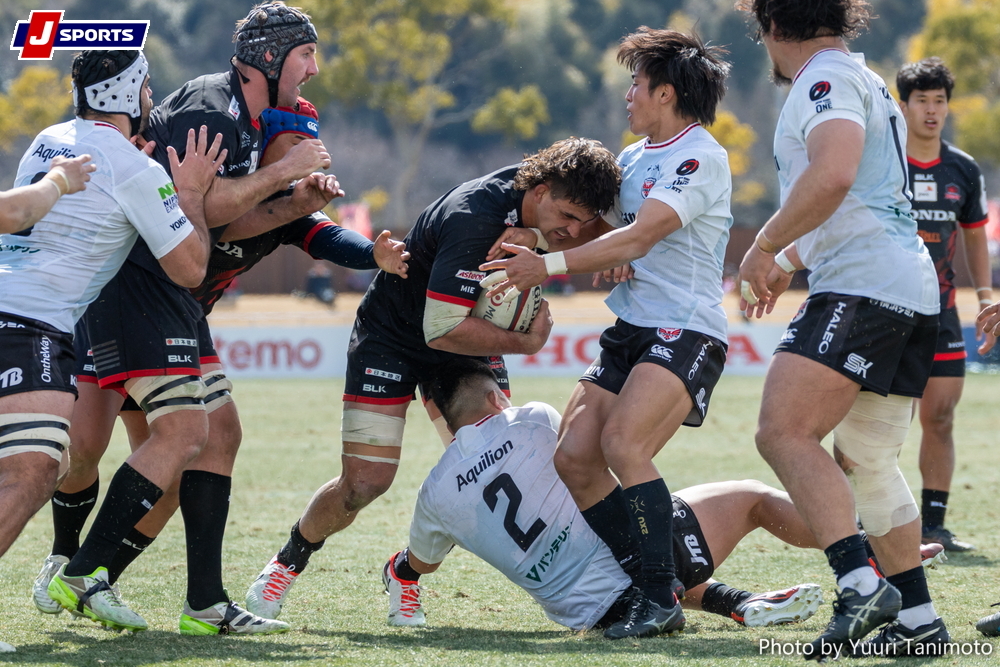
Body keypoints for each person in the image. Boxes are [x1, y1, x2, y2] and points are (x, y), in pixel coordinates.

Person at [31, 97, 409, 619]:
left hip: (180, 322)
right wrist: (287, 191)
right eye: (296, 140)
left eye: (311, 141)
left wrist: (374, 254)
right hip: (129, 308)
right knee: (85, 449)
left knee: (196, 452)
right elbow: (216, 220)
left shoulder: (289, 197)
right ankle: (67, 559)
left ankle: (115, 582)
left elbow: (328, 237)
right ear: (267, 143)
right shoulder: (233, 182)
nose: (308, 151)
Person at [46, 2, 337, 636]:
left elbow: (220, 214)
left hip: (172, 294)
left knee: (219, 434)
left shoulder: (248, 118)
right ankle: (79, 570)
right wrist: (284, 173)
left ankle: (203, 604)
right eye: (306, 54)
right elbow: (197, 207)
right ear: (269, 58)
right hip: (142, 286)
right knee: (169, 435)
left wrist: (292, 202)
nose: (314, 68)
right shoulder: (213, 109)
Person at [243, 136, 622, 620]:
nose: (573, 231)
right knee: (364, 483)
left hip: (464, 335)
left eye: (583, 222)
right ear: (541, 191)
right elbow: (440, 331)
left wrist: (581, 243)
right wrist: (527, 344)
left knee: (494, 463)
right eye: (567, 217)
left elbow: (590, 230)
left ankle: (404, 572)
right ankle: (287, 561)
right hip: (396, 336)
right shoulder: (474, 218)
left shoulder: (548, 199)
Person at [479, 28, 732, 639]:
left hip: (686, 328)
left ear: (666, 93)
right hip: (632, 328)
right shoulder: (634, 159)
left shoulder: (700, 156)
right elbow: (607, 234)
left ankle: (656, 594)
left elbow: (640, 235)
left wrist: (548, 265)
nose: (628, 95)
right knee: (574, 458)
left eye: (636, 84)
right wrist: (540, 238)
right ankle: (656, 583)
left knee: (623, 445)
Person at [381, 359, 943, 633]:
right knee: (749, 498)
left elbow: (418, 564)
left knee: (627, 549)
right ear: (495, 395)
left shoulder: (434, 496)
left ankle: (735, 602)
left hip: (592, 616)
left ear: (436, 413)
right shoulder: (531, 419)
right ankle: (866, 554)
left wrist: (403, 570)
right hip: (648, 562)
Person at [735, 0, 948, 658]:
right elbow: (861, 200)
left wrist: (764, 245)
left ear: (774, 27)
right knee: (868, 460)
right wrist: (789, 260)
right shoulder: (864, 77)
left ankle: (860, 584)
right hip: (908, 286)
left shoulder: (822, 79)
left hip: (864, 285)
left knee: (782, 431)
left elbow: (833, 174)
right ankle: (919, 619)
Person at [0, 48, 220, 651]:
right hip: (30, 325)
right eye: (145, 88)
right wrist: (189, 192)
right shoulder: (135, 168)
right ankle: (83, 568)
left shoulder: (48, 139)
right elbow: (191, 268)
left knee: (38, 465)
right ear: (127, 93)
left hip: (16, 313)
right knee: (33, 471)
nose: (151, 99)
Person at [896, 57, 988, 553]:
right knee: (880, 422)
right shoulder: (883, 162)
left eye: (940, 101)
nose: (932, 111)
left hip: (944, 313)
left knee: (941, 417)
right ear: (904, 105)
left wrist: (986, 297)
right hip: (886, 310)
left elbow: (974, 237)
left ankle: (934, 526)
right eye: (922, 101)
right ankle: (863, 522)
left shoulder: (963, 169)